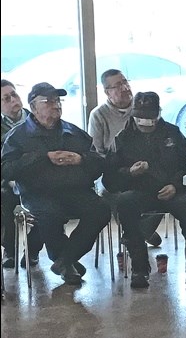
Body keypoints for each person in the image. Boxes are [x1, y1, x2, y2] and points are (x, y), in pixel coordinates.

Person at [1, 82, 111, 285]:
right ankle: (65, 262)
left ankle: (65, 260)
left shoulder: (74, 132)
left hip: (75, 190)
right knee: (50, 214)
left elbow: (99, 164)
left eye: (58, 101)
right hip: (38, 194)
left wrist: (81, 160)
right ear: (33, 108)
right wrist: (44, 157)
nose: (56, 105)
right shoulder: (17, 137)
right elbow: (7, 169)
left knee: (101, 208)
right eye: (48, 101)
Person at [104, 91, 186, 289]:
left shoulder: (173, 133)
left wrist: (176, 185)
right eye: (140, 117)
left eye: (149, 117)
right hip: (138, 191)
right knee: (125, 204)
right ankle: (139, 267)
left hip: (172, 190)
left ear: (158, 113)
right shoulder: (122, 139)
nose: (145, 121)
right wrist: (130, 173)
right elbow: (110, 180)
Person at [88, 69, 163, 247]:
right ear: (107, 92)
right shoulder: (98, 115)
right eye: (117, 85)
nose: (124, 88)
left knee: (164, 185)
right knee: (111, 193)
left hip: (146, 168)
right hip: (115, 170)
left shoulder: (144, 108)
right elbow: (96, 152)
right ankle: (138, 232)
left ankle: (141, 231)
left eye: (125, 82)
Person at [2, 80, 45, 269]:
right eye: (6, 98)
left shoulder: (37, 119)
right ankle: (9, 251)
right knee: (4, 199)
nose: (13, 100)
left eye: (14, 95)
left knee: (49, 204)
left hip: (38, 178)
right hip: (7, 180)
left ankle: (33, 250)